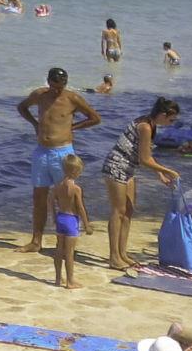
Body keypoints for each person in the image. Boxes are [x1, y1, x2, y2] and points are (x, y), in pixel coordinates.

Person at [17, 68, 101, 253]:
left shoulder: (72, 98)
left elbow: (95, 118)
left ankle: (65, 243)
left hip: (63, 152)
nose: (57, 90)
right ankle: (36, 241)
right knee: (39, 196)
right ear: (48, 82)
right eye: (54, 86)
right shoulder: (39, 95)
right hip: (42, 152)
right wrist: (35, 124)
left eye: (61, 87)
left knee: (66, 198)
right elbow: (22, 107)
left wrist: (73, 127)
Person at [99, 95, 180, 270]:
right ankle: (114, 257)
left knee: (128, 211)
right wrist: (168, 170)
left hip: (129, 168)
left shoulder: (151, 124)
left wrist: (160, 174)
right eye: (171, 120)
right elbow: (145, 160)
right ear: (163, 115)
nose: (172, 123)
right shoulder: (145, 126)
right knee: (118, 211)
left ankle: (122, 253)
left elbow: (147, 153)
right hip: (116, 166)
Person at [50, 154, 91, 289]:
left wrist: (54, 217)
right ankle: (70, 281)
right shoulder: (76, 189)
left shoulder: (57, 186)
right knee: (69, 252)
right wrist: (86, 224)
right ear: (75, 171)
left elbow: (50, 202)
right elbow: (80, 208)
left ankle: (57, 278)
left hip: (60, 217)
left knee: (59, 249)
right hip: (71, 220)